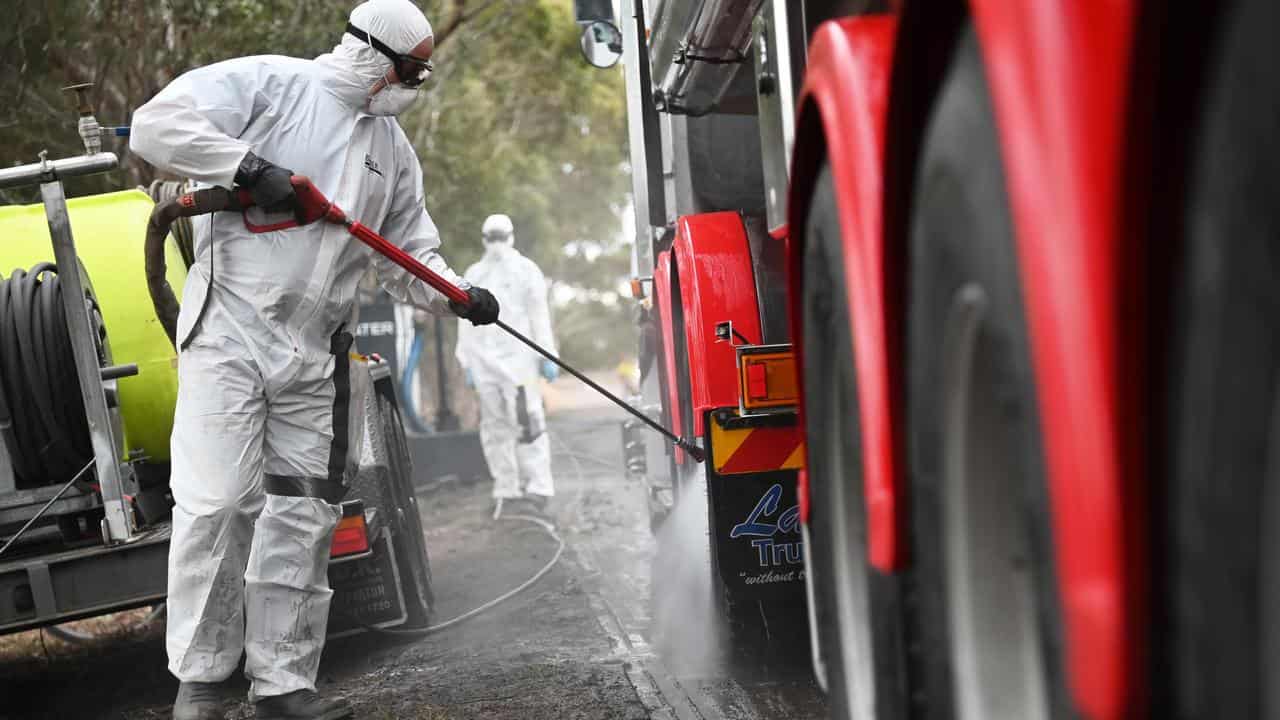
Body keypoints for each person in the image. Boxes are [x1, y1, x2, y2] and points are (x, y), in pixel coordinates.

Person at [129, 2, 499, 718]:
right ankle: (202, 685)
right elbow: (154, 125)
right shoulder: (270, 85)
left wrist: (458, 293)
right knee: (220, 506)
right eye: (412, 69)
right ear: (371, 54)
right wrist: (249, 167)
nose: (416, 84)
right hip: (230, 340)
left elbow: (408, 255)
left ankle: (284, 688)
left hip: (313, 357)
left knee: (302, 518)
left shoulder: (391, 151)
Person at [455, 214, 558, 518]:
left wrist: (546, 355)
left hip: (520, 363)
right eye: (492, 237)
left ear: (511, 236)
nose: (497, 243)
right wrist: (466, 361)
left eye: (502, 236)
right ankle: (506, 490)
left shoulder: (528, 271)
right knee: (495, 429)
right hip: (484, 364)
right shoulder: (474, 273)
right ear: (484, 239)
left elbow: (539, 315)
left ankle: (538, 488)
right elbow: (463, 322)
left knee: (528, 427)